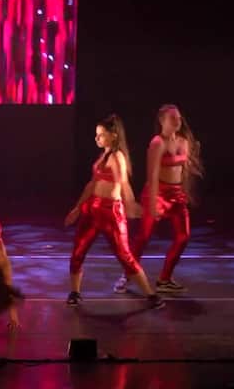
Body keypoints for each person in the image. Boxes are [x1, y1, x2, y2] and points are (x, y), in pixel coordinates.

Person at [64, 114, 164, 309]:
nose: (97, 138)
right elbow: (92, 185)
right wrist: (77, 208)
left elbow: (123, 184)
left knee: (125, 255)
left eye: (101, 134)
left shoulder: (117, 157)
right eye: (96, 134)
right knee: (78, 251)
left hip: (110, 213)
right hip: (92, 210)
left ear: (113, 135)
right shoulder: (102, 156)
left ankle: (151, 295)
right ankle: (75, 292)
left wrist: (132, 205)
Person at [113, 104, 204, 293]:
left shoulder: (183, 142)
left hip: (176, 194)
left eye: (179, 118)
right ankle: (127, 274)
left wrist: (185, 191)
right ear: (162, 121)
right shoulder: (157, 142)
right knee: (144, 237)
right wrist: (154, 202)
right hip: (157, 193)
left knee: (183, 236)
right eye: (173, 118)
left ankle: (165, 279)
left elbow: (184, 171)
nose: (177, 121)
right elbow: (152, 174)